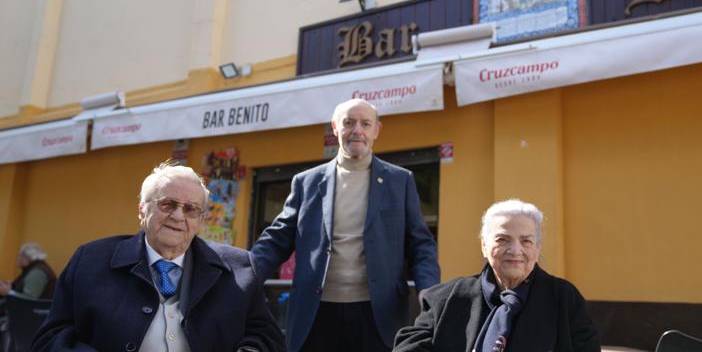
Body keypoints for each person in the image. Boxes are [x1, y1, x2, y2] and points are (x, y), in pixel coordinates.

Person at [32, 162, 285, 352]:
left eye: (190, 209)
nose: (178, 216)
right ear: (142, 209)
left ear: (200, 220)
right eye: (167, 204)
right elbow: (49, 339)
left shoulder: (239, 269)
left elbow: (267, 338)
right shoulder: (90, 261)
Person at [252, 98, 440, 352]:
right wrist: (245, 276)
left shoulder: (400, 181)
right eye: (348, 123)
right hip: (315, 313)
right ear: (335, 127)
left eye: (365, 123)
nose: (357, 130)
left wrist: (427, 288)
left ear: (376, 130)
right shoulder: (306, 182)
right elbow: (276, 240)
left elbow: (421, 244)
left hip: (378, 314)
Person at [394, 199, 600, 352]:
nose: (515, 250)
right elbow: (408, 346)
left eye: (526, 241)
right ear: (484, 245)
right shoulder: (445, 298)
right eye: (503, 239)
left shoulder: (564, 299)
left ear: (537, 248)